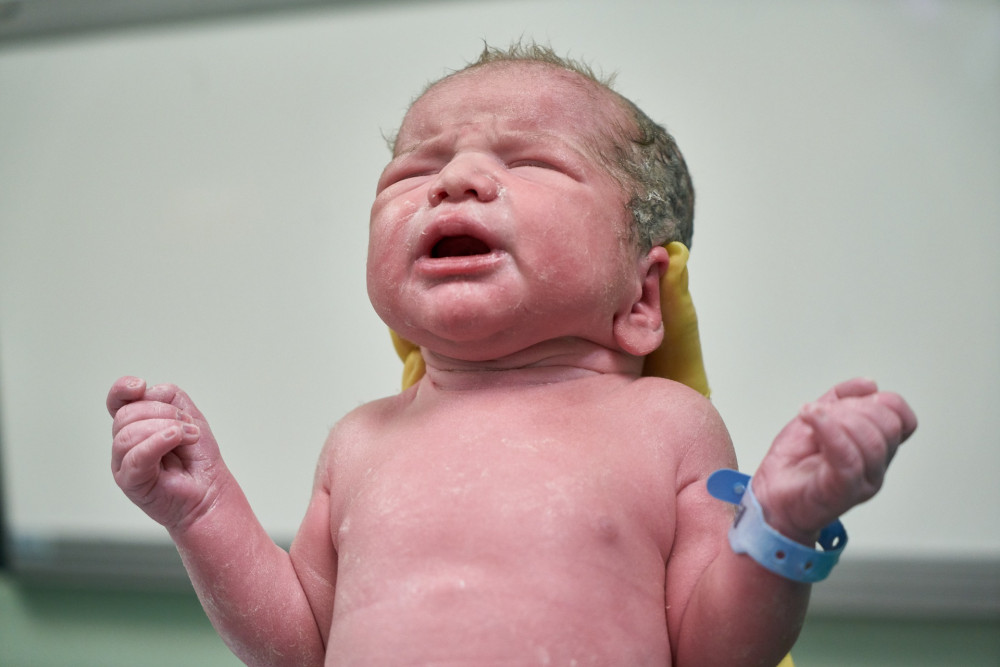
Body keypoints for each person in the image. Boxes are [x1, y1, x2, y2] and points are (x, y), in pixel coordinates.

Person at [107, 44, 917, 666]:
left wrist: (783, 523)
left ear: (643, 299)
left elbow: (717, 651)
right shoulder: (361, 439)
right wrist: (203, 511)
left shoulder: (667, 425)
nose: (454, 179)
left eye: (530, 161)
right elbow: (299, 646)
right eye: (413, 169)